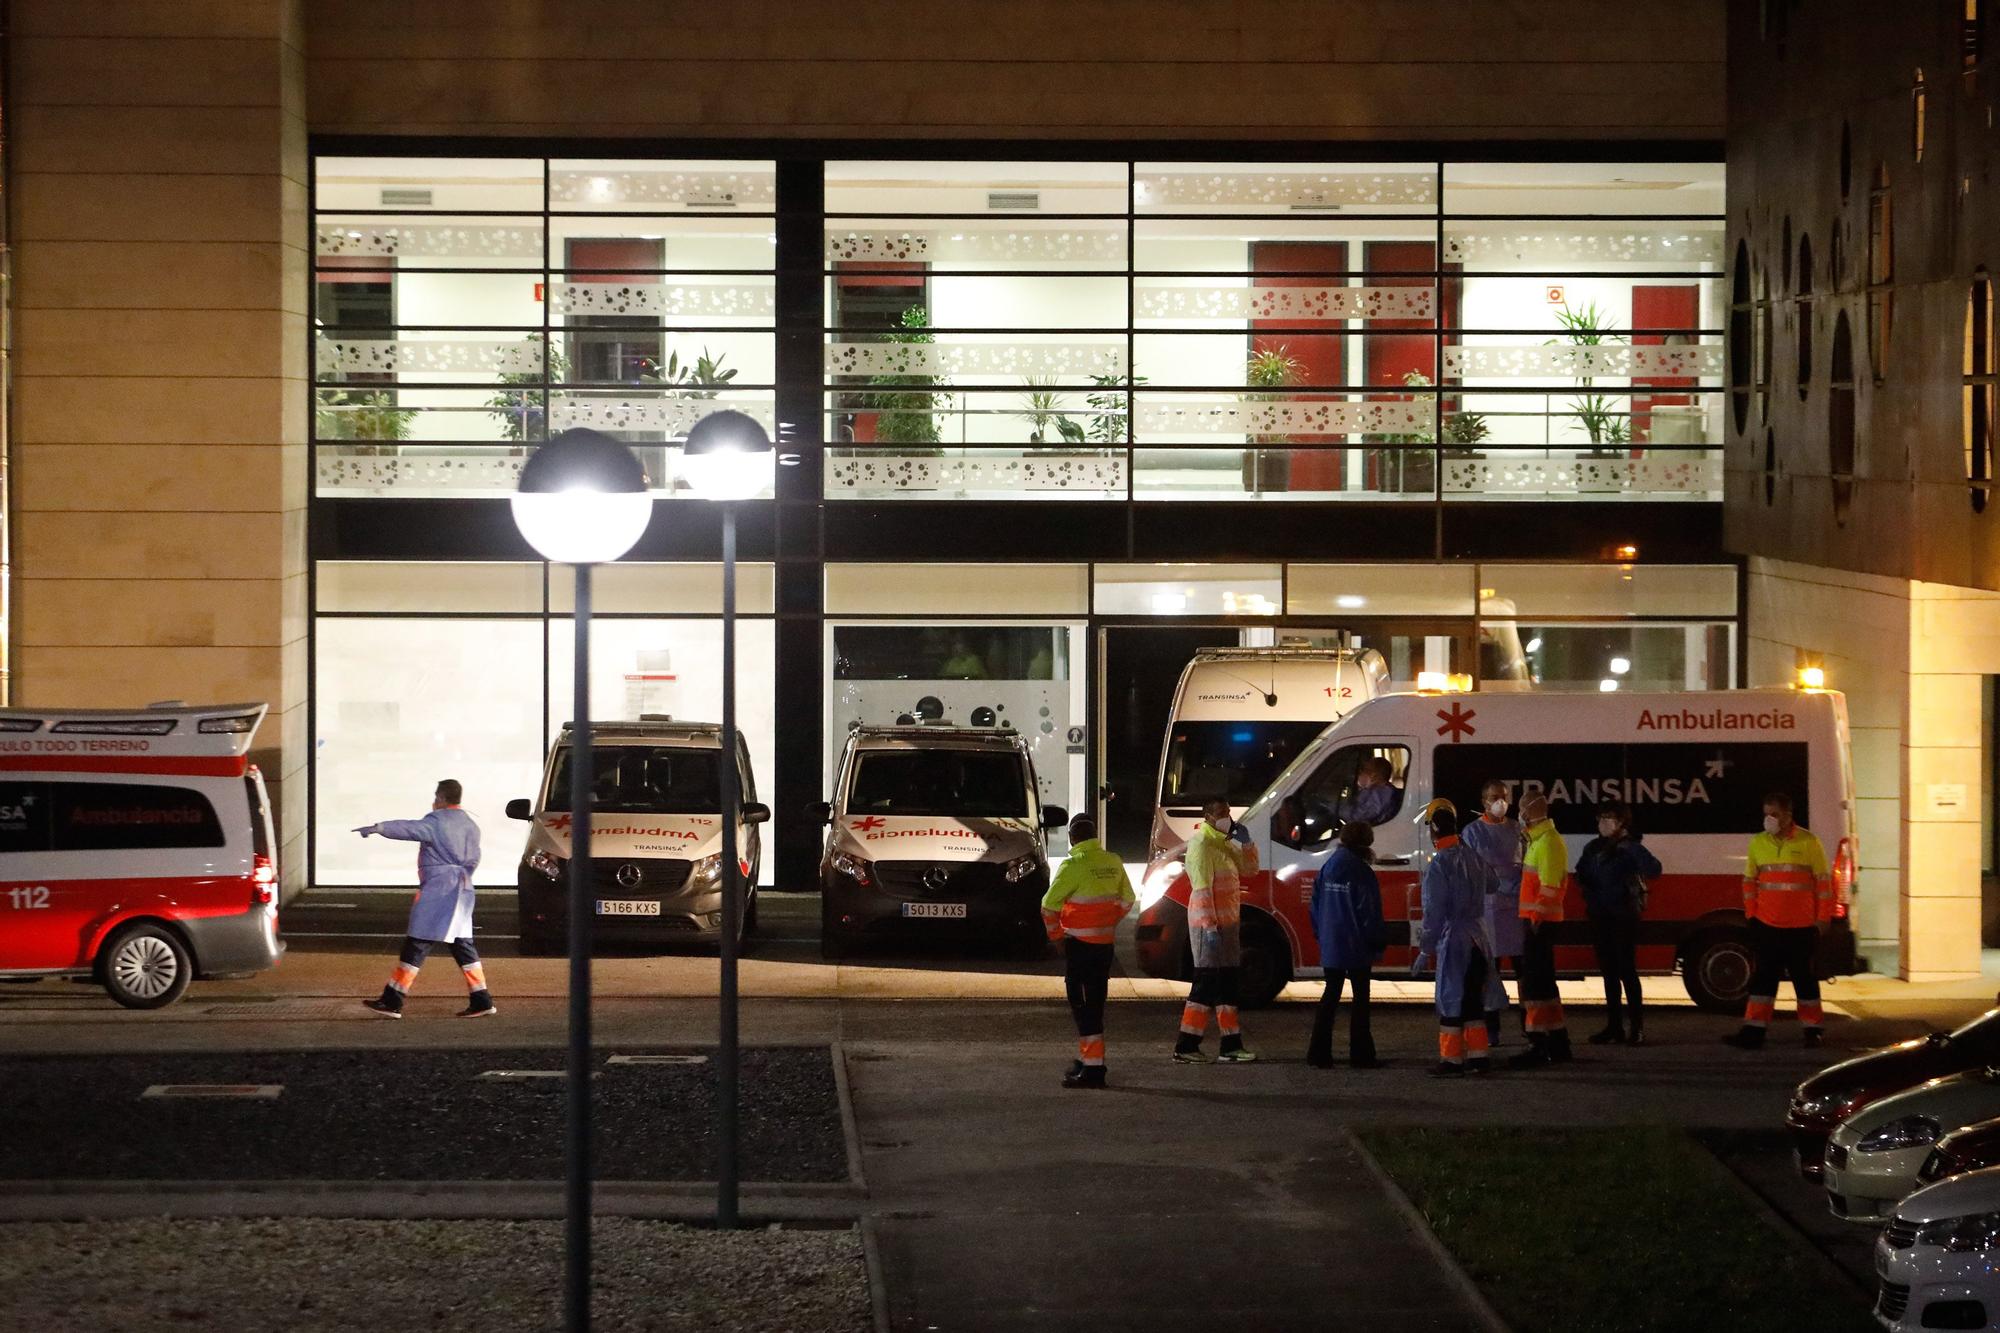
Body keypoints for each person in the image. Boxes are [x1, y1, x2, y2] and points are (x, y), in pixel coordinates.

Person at [356, 779, 492, 1019]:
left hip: (438, 891)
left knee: (417, 942)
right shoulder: (472, 825)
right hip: (462, 890)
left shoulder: (437, 822)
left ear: (441, 797)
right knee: (463, 946)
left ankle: (392, 1000)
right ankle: (481, 998)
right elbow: (474, 859)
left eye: (435, 796)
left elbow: (409, 828)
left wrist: (379, 827)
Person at [1724, 791, 1833, 1050]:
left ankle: (1813, 1030)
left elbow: (1824, 884)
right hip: (1767, 925)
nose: (1769, 819)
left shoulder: (1809, 842)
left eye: (1774, 814)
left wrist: (1823, 919)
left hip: (1801, 928)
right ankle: (1754, 1031)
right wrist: (1752, 914)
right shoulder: (1758, 843)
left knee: (1804, 980)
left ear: (1787, 816)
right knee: (1763, 979)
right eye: (1766, 814)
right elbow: (1749, 881)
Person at [1042, 813, 1137, 1089]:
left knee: (1083, 1006)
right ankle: (1090, 1061)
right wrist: (1106, 922)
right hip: (1104, 946)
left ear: (1072, 838)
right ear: (1095, 836)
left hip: (1079, 946)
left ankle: (1094, 1069)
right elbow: (1128, 899)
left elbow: (1048, 906)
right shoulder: (1113, 861)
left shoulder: (1073, 865)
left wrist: (1057, 937)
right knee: (1095, 1003)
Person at [1411, 801, 1496, 1078]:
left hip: (1455, 939)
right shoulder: (1473, 857)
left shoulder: (1439, 866)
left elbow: (1434, 913)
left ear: (1434, 832)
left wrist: (1425, 950)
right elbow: (1493, 884)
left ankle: (1451, 1060)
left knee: (1451, 999)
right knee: (1474, 999)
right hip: (1478, 937)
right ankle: (1479, 1058)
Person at [1174, 797, 1260, 1064]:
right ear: (1208, 816)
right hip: (1208, 926)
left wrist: (1246, 844)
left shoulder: (1221, 843)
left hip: (1227, 925)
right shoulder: (1202, 844)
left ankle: (1231, 1045)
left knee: (1227, 986)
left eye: (1228, 811)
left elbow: (1251, 870)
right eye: (1222, 813)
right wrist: (1210, 928)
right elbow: (1201, 891)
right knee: (1205, 985)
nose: (1227, 817)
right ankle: (1186, 1046)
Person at [1575, 800, 1661, 1046]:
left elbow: (1654, 870)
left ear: (1622, 822)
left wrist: (1628, 846)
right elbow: (1582, 873)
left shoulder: (1631, 848)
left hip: (1624, 917)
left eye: (1609, 817)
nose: (1603, 822)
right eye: (1601, 817)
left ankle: (1637, 1028)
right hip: (1600, 916)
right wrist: (1589, 891)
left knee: (1627, 971)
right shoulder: (1593, 847)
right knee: (1608, 974)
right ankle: (1614, 1027)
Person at [1307, 820, 1386, 1068]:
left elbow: (1315, 905)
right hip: (1357, 945)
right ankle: (1361, 1055)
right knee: (1360, 999)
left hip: (1332, 944)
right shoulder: (1362, 872)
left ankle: (1318, 1053)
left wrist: (1322, 934)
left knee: (1330, 996)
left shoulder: (1329, 866)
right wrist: (1376, 942)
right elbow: (1369, 913)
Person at [1508, 791, 1572, 1069]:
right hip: (1539, 921)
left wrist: (1535, 917)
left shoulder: (1547, 843)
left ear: (1530, 810)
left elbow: (1550, 887)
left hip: (1539, 923)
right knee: (1545, 985)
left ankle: (1537, 1043)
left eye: (1521, 807)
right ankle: (1557, 1040)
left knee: (1534, 985)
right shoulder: (1539, 841)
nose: (1518, 812)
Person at [1459, 778, 1524, 1048]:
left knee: (1523, 971)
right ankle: (1492, 1029)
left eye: (1504, 796)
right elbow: (1469, 870)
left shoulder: (1517, 829)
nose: (1500, 802)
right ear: (1484, 801)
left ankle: (1529, 1026)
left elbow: (1523, 864)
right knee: (1489, 971)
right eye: (1495, 796)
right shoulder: (1472, 832)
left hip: (1515, 907)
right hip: (1487, 910)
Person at [1346, 756, 1398, 826]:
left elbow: (1358, 816)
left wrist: (1332, 803)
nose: (1361, 773)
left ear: (1374, 776)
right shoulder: (1372, 790)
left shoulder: (1383, 793)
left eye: (1366, 770)